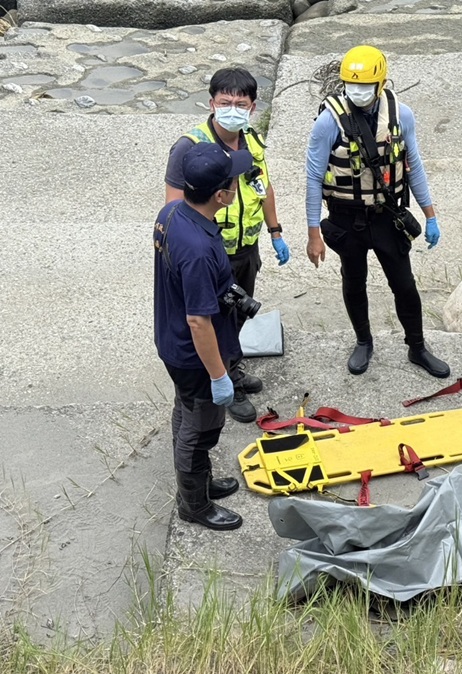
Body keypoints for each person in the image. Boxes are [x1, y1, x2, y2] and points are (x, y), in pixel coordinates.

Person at [305, 45, 450, 379]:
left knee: (405, 284)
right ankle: (363, 341)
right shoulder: (328, 122)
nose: (357, 91)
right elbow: (313, 177)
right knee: (354, 280)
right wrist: (314, 234)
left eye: (365, 85)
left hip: (387, 214)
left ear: (381, 83)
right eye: (351, 84)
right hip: (346, 217)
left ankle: (417, 346)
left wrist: (430, 215)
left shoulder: (402, 115)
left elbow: (414, 167)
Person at [164, 67, 289, 424]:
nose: (232, 109)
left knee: (237, 315)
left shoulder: (251, 141)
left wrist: (275, 231)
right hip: (211, 254)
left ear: (252, 107)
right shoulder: (190, 147)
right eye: (225, 102)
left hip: (245, 248)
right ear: (212, 103)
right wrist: (195, 252)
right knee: (213, 320)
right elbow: (173, 207)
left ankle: (232, 367)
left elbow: (263, 186)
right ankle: (221, 381)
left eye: (240, 104)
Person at [154, 143, 253, 531]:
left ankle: (199, 483)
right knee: (200, 431)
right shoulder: (197, 249)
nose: (236, 185)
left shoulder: (171, 213)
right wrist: (219, 375)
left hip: (172, 341)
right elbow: (199, 321)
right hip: (195, 354)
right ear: (220, 196)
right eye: (232, 182)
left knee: (185, 411)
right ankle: (194, 505)